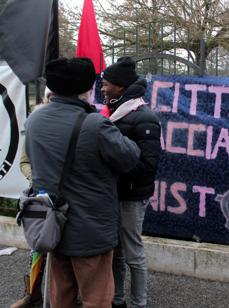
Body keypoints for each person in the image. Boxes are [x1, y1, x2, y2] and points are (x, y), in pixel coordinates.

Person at [24, 57, 141, 308]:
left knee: (61, 296)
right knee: (96, 298)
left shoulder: (34, 121)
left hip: (52, 226)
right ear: (86, 90)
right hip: (91, 230)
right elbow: (130, 157)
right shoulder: (96, 124)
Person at [102, 57, 161, 308]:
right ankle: (118, 300)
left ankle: (139, 303)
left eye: (106, 84)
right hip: (115, 194)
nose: (103, 88)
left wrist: (112, 170)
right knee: (116, 253)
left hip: (132, 196)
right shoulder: (116, 113)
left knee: (133, 254)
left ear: (120, 87)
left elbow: (148, 166)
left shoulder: (145, 117)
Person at [11, 87, 53, 308]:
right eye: (49, 96)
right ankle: (32, 294)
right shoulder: (35, 124)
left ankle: (66, 296)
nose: (53, 100)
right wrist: (35, 179)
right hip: (40, 197)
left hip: (68, 201)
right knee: (37, 250)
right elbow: (24, 162)